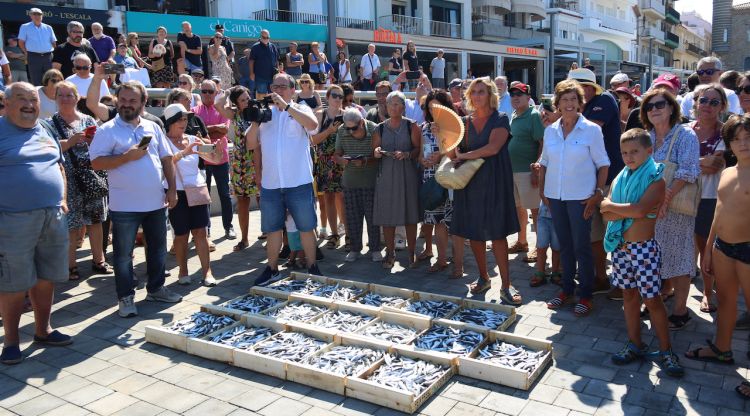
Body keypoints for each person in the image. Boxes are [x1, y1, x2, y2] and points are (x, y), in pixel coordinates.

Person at [89, 81, 182, 318]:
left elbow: (166, 159)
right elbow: (96, 162)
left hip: (156, 202)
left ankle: (156, 289)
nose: (126, 104)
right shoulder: (107, 130)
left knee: (158, 251)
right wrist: (126, 157)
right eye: (123, 100)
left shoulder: (153, 126)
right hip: (125, 207)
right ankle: (126, 297)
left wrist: (172, 189)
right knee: (122, 256)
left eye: (132, 100)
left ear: (142, 103)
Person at [0, 82, 74, 365]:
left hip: (52, 215)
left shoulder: (45, 129)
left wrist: (63, 198)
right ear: (6, 103)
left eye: (33, 100)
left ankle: (43, 330)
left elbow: (58, 165)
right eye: (21, 99)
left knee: (46, 277)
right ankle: (11, 341)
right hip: (12, 220)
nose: (29, 105)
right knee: (14, 282)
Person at [601, 128, 684, 377]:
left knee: (652, 299)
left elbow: (637, 211)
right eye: (624, 152)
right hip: (621, 249)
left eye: (634, 151)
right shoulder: (621, 177)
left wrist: (612, 206)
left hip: (644, 249)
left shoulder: (656, 180)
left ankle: (666, 350)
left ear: (649, 151)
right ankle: (635, 343)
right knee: (628, 296)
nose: (628, 157)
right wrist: (620, 208)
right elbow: (606, 213)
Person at [684, 114, 750, 398]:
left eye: (748, 138)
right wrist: (709, 247)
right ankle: (722, 348)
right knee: (724, 302)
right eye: (736, 139)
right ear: (729, 145)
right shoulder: (727, 172)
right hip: (723, 247)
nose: (743, 144)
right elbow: (717, 214)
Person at [447, 78, 522, 302]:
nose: (478, 95)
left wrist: (463, 156)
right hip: (469, 184)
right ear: (469, 96)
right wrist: (445, 138)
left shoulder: (500, 118)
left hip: (496, 182)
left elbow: (493, 148)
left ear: (491, 95)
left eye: (482, 91)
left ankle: (506, 286)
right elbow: (452, 155)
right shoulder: (463, 122)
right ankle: (483, 278)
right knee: (474, 233)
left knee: (498, 234)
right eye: (474, 92)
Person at [542, 79, 610, 317]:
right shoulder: (550, 130)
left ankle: (586, 295)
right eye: (564, 99)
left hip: (581, 198)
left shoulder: (592, 130)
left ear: (580, 103)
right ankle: (566, 290)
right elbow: (544, 163)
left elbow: (603, 165)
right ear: (557, 103)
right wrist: (543, 192)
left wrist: (597, 194)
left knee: (582, 247)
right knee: (564, 245)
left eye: (573, 99)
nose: (569, 104)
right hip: (555, 197)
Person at [247, 73, 321, 284]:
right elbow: (250, 144)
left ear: (292, 90)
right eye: (274, 86)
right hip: (271, 184)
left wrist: (287, 107)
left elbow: (313, 124)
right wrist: (254, 122)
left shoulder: (301, 109)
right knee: (272, 229)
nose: (277, 90)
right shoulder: (265, 113)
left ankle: (312, 266)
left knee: (306, 226)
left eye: (282, 86)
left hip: (298, 182)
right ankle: (272, 269)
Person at [640, 89, 700, 329]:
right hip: (652, 209)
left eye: (660, 104)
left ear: (672, 107)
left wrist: (664, 200)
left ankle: (680, 310)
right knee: (653, 257)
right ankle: (656, 300)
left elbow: (688, 171)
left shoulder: (686, 135)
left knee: (678, 258)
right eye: (649, 106)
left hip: (675, 209)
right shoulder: (647, 137)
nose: (654, 109)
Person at [570, 67, 624, 299]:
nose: (578, 92)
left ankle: (618, 282)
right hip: (591, 180)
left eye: (580, 87)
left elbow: (585, 133)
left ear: (591, 88)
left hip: (610, 180)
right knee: (595, 234)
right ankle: (600, 278)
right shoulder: (585, 106)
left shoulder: (604, 100)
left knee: (614, 232)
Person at [49, 81, 110, 281]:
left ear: (77, 98)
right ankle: (70, 266)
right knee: (71, 224)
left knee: (95, 220)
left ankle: (99, 260)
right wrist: (71, 142)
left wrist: (94, 141)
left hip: (91, 177)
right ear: (55, 98)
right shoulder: (50, 123)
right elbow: (50, 149)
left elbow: (102, 146)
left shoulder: (88, 120)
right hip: (68, 180)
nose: (65, 99)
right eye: (61, 95)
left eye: (69, 95)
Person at [163, 103, 223, 287]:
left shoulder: (192, 139)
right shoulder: (163, 141)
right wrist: (183, 153)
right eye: (180, 119)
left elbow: (215, 159)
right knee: (181, 235)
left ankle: (207, 272)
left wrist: (217, 150)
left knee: (201, 233)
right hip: (176, 193)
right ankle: (183, 271)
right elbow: (163, 164)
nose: (184, 122)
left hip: (196, 190)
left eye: (185, 118)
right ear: (170, 121)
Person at [689, 84, 727, 314]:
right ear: (696, 103)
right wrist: (702, 161)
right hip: (684, 195)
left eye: (714, 102)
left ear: (722, 106)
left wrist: (688, 163)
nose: (707, 106)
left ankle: (707, 291)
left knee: (706, 247)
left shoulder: (726, 132)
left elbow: (715, 166)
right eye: (704, 100)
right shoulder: (684, 129)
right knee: (684, 244)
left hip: (710, 197)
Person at [372, 91, 421, 268]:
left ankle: (411, 253)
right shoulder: (380, 128)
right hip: (386, 176)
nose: (392, 107)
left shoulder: (412, 126)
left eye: (396, 103)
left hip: (407, 174)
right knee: (387, 215)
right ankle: (390, 253)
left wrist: (407, 154)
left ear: (403, 106)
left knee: (410, 215)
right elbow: (374, 151)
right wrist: (377, 152)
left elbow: (418, 150)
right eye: (389, 103)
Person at [214, 86, 261, 251]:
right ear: (235, 103)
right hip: (239, 163)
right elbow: (217, 104)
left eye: (248, 97)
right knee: (242, 201)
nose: (247, 101)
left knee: (264, 198)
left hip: (257, 161)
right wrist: (228, 91)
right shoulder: (234, 115)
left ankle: (268, 233)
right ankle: (244, 238)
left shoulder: (257, 112)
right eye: (242, 99)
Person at [334, 108, 382, 262]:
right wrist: (341, 160)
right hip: (350, 182)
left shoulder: (375, 129)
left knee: (373, 218)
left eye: (354, 128)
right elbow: (337, 154)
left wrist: (366, 161)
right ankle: (355, 249)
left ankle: (375, 249)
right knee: (353, 218)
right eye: (347, 128)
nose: (350, 132)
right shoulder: (342, 130)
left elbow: (380, 156)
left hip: (371, 181)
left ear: (362, 122)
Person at [418, 90, 455, 272]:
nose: (434, 111)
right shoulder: (424, 127)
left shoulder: (452, 126)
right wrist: (422, 160)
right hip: (429, 177)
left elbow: (453, 154)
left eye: (437, 106)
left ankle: (446, 259)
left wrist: (439, 153)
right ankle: (435, 255)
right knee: (432, 219)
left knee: (445, 221)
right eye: (430, 107)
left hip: (447, 178)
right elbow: (419, 153)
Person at [192, 80, 234, 240]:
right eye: (204, 91)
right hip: (202, 160)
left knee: (225, 194)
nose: (207, 94)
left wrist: (205, 130)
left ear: (217, 93)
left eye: (210, 91)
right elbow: (196, 134)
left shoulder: (222, 110)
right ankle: (206, 229)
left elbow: (224, 130)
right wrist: (213, 129)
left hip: (220, 159)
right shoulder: (194, 110)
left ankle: (228, 227)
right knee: (204, 196)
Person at [508, 82, 544, 264]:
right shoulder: (514, 114)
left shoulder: (534, 115)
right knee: (519, 208)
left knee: (535, 211)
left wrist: (536, 169)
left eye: (519, 94)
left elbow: (542, 143)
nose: (515, 97)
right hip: (513, 171)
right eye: (512, 94)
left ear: (528, 97)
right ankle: (522, 242)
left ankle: (540, 249)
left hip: (527, 172)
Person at [311, 85, 347, 249]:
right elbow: (312, 140)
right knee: (328, 199)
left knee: (343, 199)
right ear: (328, 96)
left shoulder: (347, 115)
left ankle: (347, 233)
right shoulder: (320, 115)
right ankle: (334, 234)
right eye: (334, 95)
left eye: (340, 96)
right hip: (325, 163)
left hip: (343, 163)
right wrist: (330, 131)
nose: (338, 98)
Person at [18, 8, 57, 86]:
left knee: (51, 79)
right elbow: (21, 42)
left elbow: (53, 42)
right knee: (36, 80)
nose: (37, 16)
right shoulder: (25, 27)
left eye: (39, 14)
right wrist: (26, 52)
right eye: (34, 14)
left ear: (42, 16)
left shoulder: (48, 27)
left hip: (48, 56)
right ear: (30, 15)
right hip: (33, 56)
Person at [531, 200, 562, 287]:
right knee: (541, 247)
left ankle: (555, 272)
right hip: (543, 216)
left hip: (559, 216)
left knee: (556, 248)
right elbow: (541, 191)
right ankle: (540, 273)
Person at [249, 30, 279, 97]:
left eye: (267, 37)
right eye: (264, 37)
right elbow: (251, 61)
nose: (266, 39)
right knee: (261, 95)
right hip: (260, 77)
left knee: (273, 94)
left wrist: (278, 71)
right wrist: (251, 73)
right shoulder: (255, 47)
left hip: (272, 76)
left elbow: (276, 60)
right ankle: (262, 107)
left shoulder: (273, 47)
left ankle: (272, 107)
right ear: (260, 37)